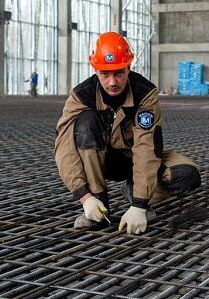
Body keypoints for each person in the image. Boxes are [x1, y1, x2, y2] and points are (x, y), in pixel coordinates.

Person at [54, 31, 201, 235]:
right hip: (100, 161)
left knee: (187, 175)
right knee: (85, 123)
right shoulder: (81, 96)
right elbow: (64, 148)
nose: (112, 82)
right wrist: (85, 197)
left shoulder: (144, 93)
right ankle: (99, 206)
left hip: (134, 158)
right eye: (105, 74)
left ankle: (134, 191)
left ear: (128, 67)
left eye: (119, 73)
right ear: (95, 70)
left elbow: (146, 147)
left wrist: (140, 204)